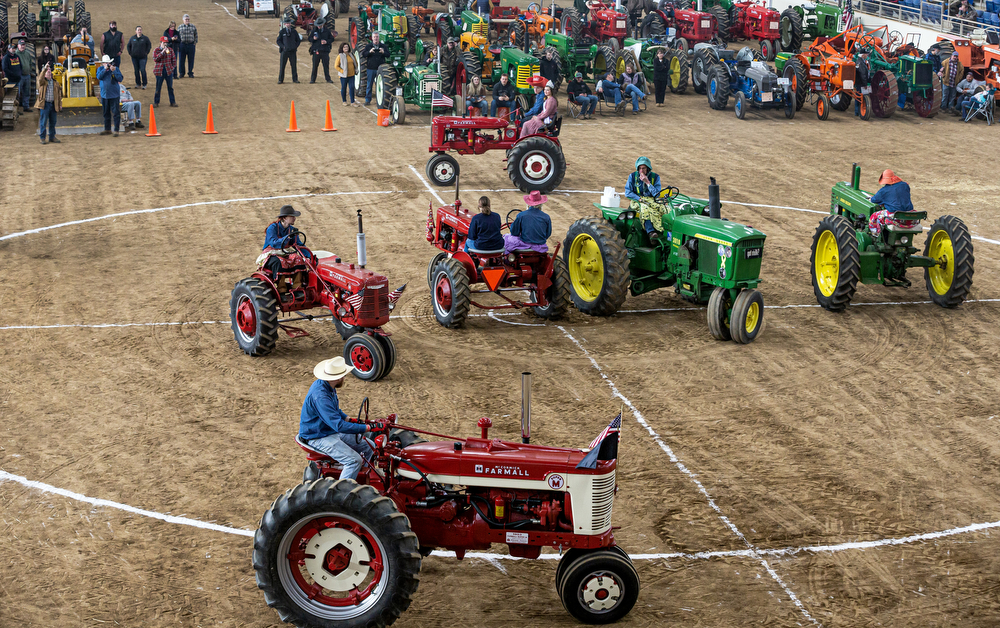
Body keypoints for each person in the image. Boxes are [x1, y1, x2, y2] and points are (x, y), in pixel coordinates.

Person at [299, 356, 377, 482]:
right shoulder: (321, 396)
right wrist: (367, 428)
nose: (344, 377)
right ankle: (342, 491)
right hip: (317, 436)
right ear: (338, 377)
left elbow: (334, 410)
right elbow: (339, 426)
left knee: (369, 446)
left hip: (327, 429)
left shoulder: (328, 386)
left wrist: (348, 419)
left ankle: (361, 480)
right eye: (344, 375)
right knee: (354, 460)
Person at [624, 156, 667, 241]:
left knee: (663, 208)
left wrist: (647, 183)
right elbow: (628, 193)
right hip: (637, 200)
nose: (641, 171)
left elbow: (657, 194)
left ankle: (664, 231)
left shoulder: (655, 177)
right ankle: (650, 232)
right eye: (640, 168)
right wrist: (638, 199)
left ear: (648, 168)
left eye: (643, 168)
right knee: (645, 208)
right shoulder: (632, 176)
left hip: (651, 200)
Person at [868, 169, 916, 237]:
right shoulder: (905, 185)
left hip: (895, 216)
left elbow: (874, 199)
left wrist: (870, 199)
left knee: (874, 216)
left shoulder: (884, 191)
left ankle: (876, 235)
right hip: (909, 215)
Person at [35, 64, 62, 144]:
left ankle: (52, 137)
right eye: (47, 71)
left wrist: (60, 104)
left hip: (53, 104)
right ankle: (42, 138)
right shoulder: (42, 82)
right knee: (43, 122)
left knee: (53, 122)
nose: (49, 71)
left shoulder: (55, 83)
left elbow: (59, 95)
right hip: (45, 104)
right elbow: (40, 78)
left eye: (50, 70)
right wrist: (44, 69)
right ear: (44, 74)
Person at [96, 55, 124, 135]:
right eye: (106, 63)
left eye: (108, 63)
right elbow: (99, 77)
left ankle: (116, 130)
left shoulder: (115, 69)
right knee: (106, 113)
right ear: (103, 63)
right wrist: (105, 69)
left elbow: (120, 79)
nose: (108, 64)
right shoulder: (100, 69)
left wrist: (114, 71)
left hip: (114, 94)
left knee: (116, 113)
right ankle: (107, 129)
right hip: (105, 95)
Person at [362, 32, 388, 105]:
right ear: (372, 38)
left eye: (377, 37)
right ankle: (367, 100)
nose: (376, 38)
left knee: (380, 85)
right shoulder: (368, 46)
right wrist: (369, 52)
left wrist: (383, 52)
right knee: (369, 85)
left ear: (378, 38)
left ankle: (379, 100)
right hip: (371, 68)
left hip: (381, 69)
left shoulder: (383, 46)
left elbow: (388, 55)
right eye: (374, 37)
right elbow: (364, 54)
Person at [153, 37, 177, 108]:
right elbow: (156, 59)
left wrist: (172, 68)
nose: (165, 44)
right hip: (159, 71)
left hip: (168, 71)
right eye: (164, 43)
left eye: (166, 43)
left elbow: (174, 60)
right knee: (158, 87)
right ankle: (156, 102)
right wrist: (162, 52)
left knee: (170, 87)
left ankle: (172, 102)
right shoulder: (156, 50)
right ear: (160, 43)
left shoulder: (170, 50)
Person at [276, 19, 301, 84]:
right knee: (282, 66)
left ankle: (295, 79)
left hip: (292, 51)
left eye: (289, 23)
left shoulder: (294, 31)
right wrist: (283, 47)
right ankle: (280, 79)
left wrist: (295, 46)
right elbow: (278, 41)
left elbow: (298, 40)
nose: (288, 24)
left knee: (294, 66)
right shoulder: (282, 31)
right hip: (284, 51)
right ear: (285, 24)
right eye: (287, 23)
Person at [4, 43, 26, 113]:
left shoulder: (17, 56)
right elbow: (5, 69)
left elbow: (20, 66)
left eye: (15, 48)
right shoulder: (6, 58)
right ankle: (11, 111)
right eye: (12, 48)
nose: (14, 50)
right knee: (10, 96)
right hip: (10, 81)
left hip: (17, 80)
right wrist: (14, 75)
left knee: (17, 96)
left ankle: (17, 111)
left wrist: (19, 74)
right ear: (8, 49)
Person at [14, 40, 32, 113]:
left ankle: (26, 106)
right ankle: (17, 109)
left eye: (23, 45)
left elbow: (30, 63)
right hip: (20, 76)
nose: (22, 46)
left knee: (27, 92)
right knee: (17, 93)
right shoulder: (15, 54)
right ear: (18, 46)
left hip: (27, 75)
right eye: (21, 45)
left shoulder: (27, 53)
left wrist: (30, 71)